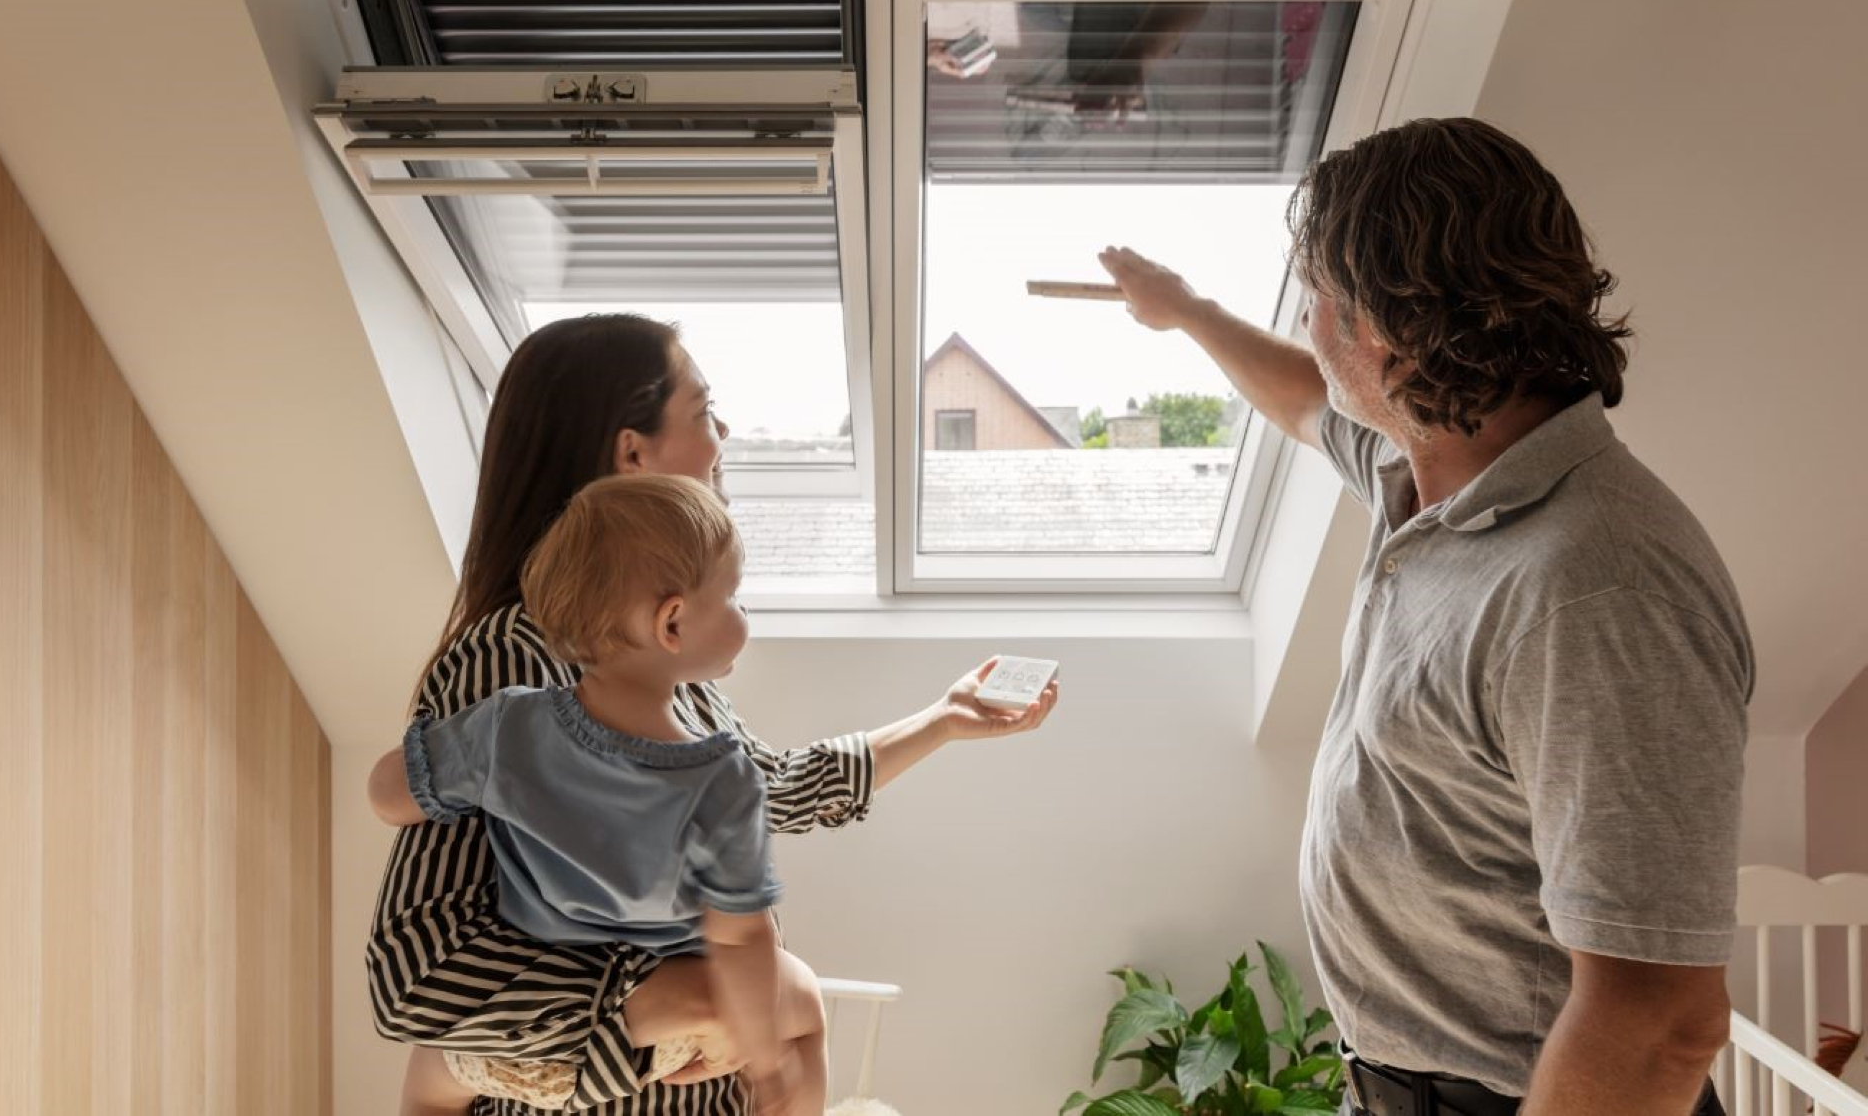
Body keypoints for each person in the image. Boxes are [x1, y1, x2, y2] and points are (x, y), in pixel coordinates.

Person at [1099, 116, 1748, 1116]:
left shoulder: (1594, 584)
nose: (1309, 327)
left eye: (1315, 297)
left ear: (1387, 333)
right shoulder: (1428, 477)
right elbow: (1299, 398)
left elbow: (1659, 1019)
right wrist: (1185, 311)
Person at [365, 313, 1059, 1116]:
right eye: (703, 412)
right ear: (632, 453)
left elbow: (777, 787)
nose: (724, 432)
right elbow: (419, 969)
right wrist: (684, 1001)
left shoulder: (659, 671)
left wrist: (942, 719)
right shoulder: (515, 659)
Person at [370, 475, 825, 1116]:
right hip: (656, 1038)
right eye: (733, 597)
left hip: (521, 1043)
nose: (742, 614)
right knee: (806, 1013)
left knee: (426, 1080)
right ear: (672, 622)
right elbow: (740, 941)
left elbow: (392, 793)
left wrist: (432, 789)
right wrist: (766, 1056)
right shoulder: (721, 781)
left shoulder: (506, 725)